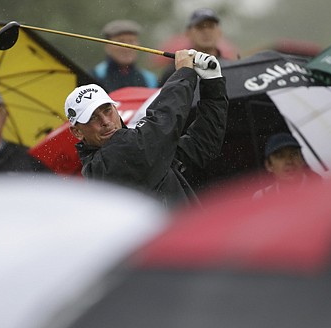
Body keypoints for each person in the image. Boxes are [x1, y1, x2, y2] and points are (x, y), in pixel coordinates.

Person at [65, 49, 228, 209]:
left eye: (107, 110)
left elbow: (201, 145)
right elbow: (162, 121)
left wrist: (213, 85)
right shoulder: (104, 165)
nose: (106, 121)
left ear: (116, 109)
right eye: (92, 117)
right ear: (77, 132)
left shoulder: (146, 149)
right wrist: (184, 73)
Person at [158, 8, 235, 86]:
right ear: (188, 33)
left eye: (211, 27)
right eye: (200, 27)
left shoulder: (232, 68)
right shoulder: (175, 70)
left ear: (219, 32)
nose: (206, 32)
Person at [89, 19, 158, 92]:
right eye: (120, 42)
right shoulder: (94, 76)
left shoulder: (149, 80)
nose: (127, 48)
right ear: (107, 46)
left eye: (131, 41)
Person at [252, 132, 320, 200]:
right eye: (280, 156)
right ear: (269, 165)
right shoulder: (261, 198)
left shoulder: (323, 188)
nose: (289, 161)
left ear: (302, 159)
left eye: (294, 154)